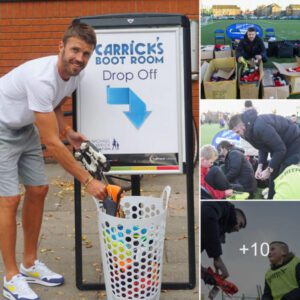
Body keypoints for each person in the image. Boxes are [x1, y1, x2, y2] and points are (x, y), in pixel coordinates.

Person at [0, 21, 107, 300]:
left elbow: (56, 101)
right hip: (0, 129)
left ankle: (30, 263)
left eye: (86, 54)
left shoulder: (76, 74)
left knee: (39, 189)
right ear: (60, 47)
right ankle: (11, 277)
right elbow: (52, 145)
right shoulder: (41, 77)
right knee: (9, 199)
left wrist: (66, 130)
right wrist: (88, 180)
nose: (79, 59)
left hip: (24, 127)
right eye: (75, 51)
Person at [229, 108, 300, 199]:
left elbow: (280, 149)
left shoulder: (260, 126)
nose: (237, 135)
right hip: (281, 146)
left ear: (242, 125)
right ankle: (271, 200)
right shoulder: (246, 132)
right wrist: (260, 166)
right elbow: (262, 147)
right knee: (273, 175)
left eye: (237, 132)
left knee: (283, 171)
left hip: (294, 142)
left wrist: (269, 169)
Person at [201, 202, 247, 281]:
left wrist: (201, 270)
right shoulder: (223, 206)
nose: (238, 230)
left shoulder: (216, 233)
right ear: (235, 215)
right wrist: (217, 258)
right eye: (240, 225)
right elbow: (207, 215)